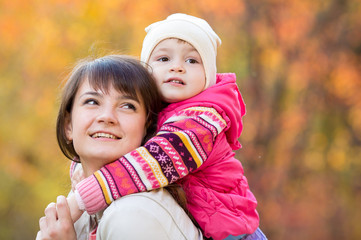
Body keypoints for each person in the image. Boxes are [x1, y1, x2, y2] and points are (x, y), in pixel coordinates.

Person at [69, 13, 267, 240]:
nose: (177, 67)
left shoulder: (202, 120)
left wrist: (83, 197)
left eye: (192, 61)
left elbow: (151, 163)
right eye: (164, 59)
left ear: (208, 77)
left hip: (231, 232)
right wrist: (80, 169)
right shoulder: (155, 114)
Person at [37, 55, 203, 240]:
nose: (107, 116)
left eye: (127, 106)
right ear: (68, 126)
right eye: (92, 101)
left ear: (146, 127)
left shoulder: (132, 215)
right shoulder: (78, 211)